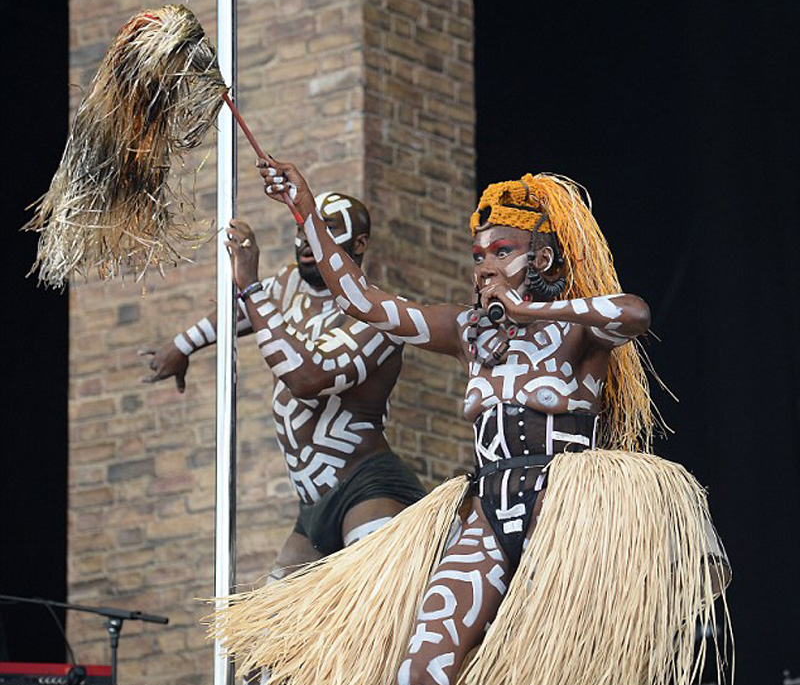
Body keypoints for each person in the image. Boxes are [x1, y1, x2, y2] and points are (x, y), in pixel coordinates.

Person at [214, 159, 730, 685]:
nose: (484, 268)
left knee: (559, 662)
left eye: (501, 252)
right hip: (489, 507)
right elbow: (362, 301)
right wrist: (304, 207)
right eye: (478, 256)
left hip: (564, 507)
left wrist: (531, 313)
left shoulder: (578, 331)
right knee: (421, 669)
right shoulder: (465, 330)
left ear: (542, 259)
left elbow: (635, 313)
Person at [141, 187, 426, 580]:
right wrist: (183, 344)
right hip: (311, 507)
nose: (307, 237)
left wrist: (252, 287)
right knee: (276, 619)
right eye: (301, 226)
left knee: (374, 604)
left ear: (360, 243)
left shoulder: (381, 313)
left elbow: (308, 379)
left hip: (367, 489)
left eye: (325, 227)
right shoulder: (287, 287)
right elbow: (244, 312)